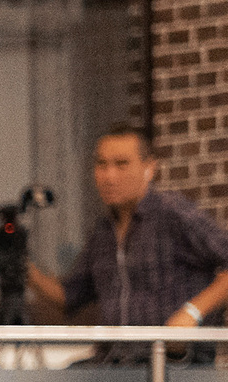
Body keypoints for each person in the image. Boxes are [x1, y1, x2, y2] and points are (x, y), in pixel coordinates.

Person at [29, 124, 228, 363]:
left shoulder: (171, 213)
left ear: (149, 168)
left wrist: (192, 312)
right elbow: (69, 296)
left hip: (173, 364)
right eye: (101, 164)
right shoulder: (103, 231)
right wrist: (23, 268)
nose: (109, 176)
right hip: (114, 363)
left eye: (122, 164)